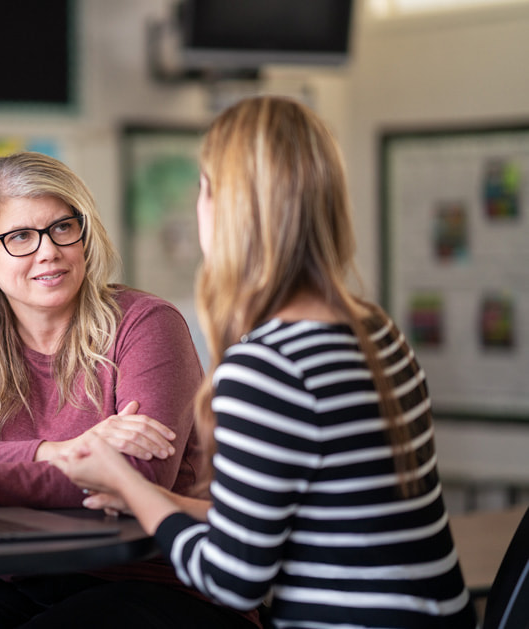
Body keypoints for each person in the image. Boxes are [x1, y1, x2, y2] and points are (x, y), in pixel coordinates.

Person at [55, 97, 478, 628]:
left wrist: (128, 481)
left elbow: (231, 578)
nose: (198, 205)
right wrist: (152, 497)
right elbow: (270, 522)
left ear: (230, 210)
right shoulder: (376, 331)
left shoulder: (267, 367)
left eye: (205, 187)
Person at [0, 151, 259, 628]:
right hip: (26, 578)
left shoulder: (146, 325)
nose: (49, 251)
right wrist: (61, 452)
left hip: (165, 583)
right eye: (19, 237)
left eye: (62, 227)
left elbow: (137, 478)